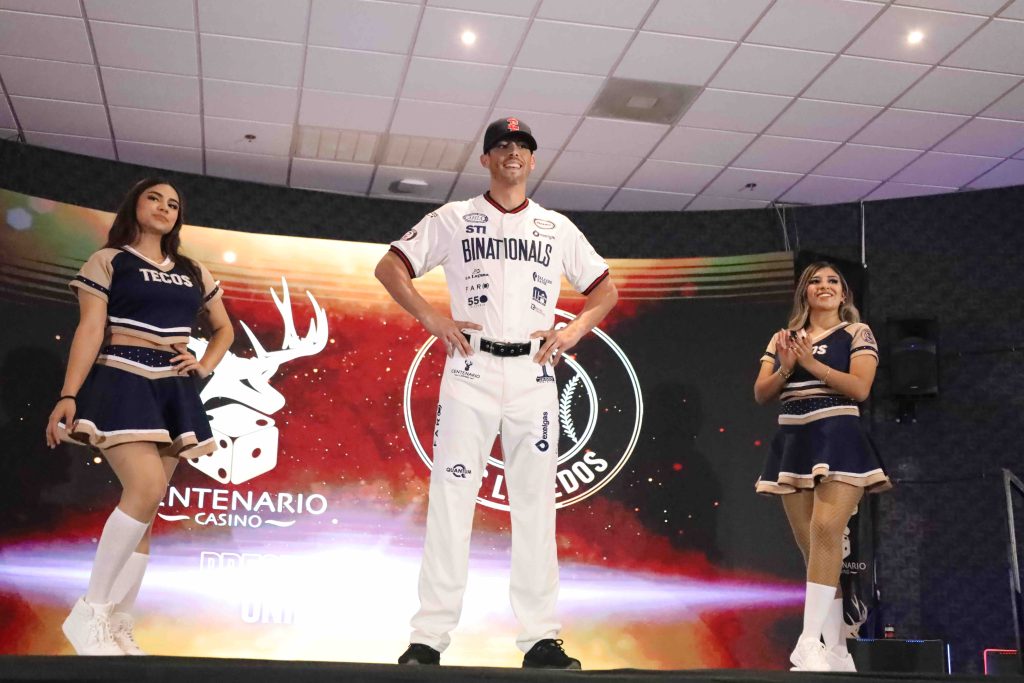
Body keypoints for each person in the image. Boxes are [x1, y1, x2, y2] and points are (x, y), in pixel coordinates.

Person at [375, 117, 617, 669]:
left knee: (536, 505)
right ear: (485, 159)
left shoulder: (555, 227)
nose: (513, 153)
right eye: (502, 145)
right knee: (451, 500)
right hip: (471, 369)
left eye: (523, 147)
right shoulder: (454, 217)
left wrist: (574, 330)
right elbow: (390, 267)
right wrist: (432, 318)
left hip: (533, 372)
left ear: (533, 161)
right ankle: (428, 638)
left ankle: (541, 638)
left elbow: (606, 290)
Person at [45, 178, 234, 655]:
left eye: (173, 204)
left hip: (173, 388)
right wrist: (69, 394)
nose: (165, 208)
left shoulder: (193, 270)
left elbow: (224, 329)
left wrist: (204, 365)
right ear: (135, 204)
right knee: (146, 487)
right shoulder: (109, 260)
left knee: (147, 512)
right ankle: (90, 612)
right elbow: (90, 328)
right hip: (122, 378)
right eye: (155, 198)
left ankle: (117, 623)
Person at [753, 262, 891, 672]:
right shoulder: (783, 338)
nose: (824, 286)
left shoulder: (857, 332)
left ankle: (808, 640)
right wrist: (787, 366)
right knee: (815, 549)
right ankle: (838, 652)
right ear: (805, 293)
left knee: (827, 530)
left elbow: (860, 388)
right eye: (815, 281)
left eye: (833, 281)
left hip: (840, 438)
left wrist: (812, 365)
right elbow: (761, 393)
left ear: (844, 294)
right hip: (794, 442)